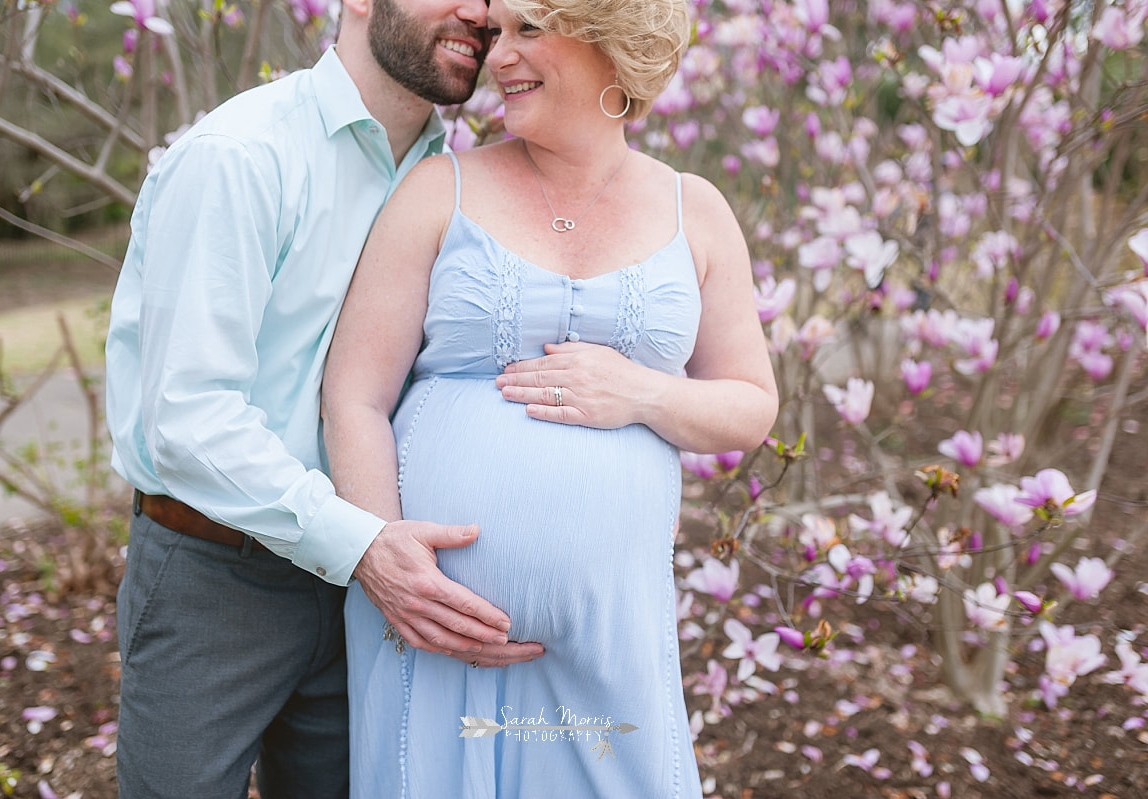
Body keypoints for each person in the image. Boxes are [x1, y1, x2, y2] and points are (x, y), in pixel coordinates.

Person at [320, 0, 780, 792]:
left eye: (531, 29)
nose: (497, 56)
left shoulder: (694, 210)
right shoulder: (440, 188)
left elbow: (750, 403)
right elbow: (353, 395)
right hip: (432, 630)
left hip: (611, 641)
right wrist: (388, 561)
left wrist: (639, 392)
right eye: (498, 32)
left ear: (613, 43)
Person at [103, 0, 546, 795]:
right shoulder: (239, 155)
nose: (480, 14)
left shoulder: (455, 180)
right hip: (218, 574)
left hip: (375, 588)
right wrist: (361, 545)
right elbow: (187, 418)